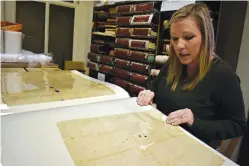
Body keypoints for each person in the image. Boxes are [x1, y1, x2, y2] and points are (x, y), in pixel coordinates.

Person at [137, 3, 247, 150]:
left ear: (205, 37)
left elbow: (237, 125)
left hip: (196, 150)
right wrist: (149, 93)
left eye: (188, 37)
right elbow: (155, 87)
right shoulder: (173, 63)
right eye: (175, 39)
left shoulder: (223, 76)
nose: (179, 46)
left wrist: (194, 121)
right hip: (163, 141)